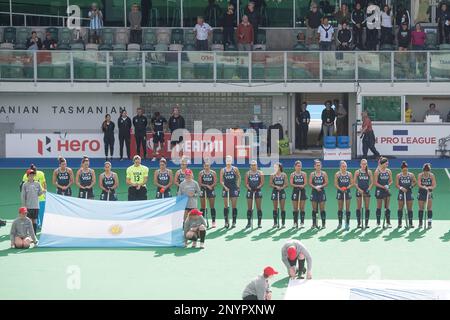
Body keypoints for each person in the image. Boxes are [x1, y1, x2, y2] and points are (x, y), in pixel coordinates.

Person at [21, 164, 46, 229]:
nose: (33, 175)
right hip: (31, 201)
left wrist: (44, 192)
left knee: (41, 213)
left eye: (34, 172)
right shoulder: (25, 177)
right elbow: (23, 189)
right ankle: (35, 226)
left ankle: (42, 226)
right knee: (32, 218)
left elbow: (44, 183)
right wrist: (24, 202)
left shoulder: (41, 174)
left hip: (40, 198)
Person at [220, 155, 241, 229]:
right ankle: (226, 222)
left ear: (231, 161)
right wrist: (225, 187)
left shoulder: (235, 169)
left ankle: (234, 222)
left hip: (234, 188)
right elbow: (221, 181)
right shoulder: (223, 170)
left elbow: (239, 177)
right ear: (225, 161)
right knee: (226, 206)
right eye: (227, 160)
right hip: (226, 189)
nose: (228, 161)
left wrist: (238, 186)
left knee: (234, 206)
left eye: (229, 160)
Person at [395, 161, 416, 228]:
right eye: (404, 170)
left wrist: (411, 186)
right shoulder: (399, 175)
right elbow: (397, 185)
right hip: (401, 193)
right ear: (401, 169)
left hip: (409, 192)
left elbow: (415, 182)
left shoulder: (411, 175)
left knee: (410, 208)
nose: (405, 171)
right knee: (400, 208)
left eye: (406, 170)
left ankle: (410, 223)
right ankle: (400, 223)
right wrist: (401, 188)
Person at [354, 159, 373, 229]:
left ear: (367, 164)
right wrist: (359, 189)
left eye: (365, 164)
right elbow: (354, 182)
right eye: (362, 164)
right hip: (359, 190)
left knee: (367, 207)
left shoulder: (369, 172)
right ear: (360, 164)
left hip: (366, 191)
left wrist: (368, 189)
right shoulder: (357, 172)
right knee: (358, 207)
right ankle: (359, 223)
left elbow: (372, 182)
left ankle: (366, 223)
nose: (364, 165)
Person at [374, 157, 393, 228]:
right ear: (382, 164)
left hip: (387, 190)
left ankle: (388, 222)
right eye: (386, 163)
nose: (387, 164)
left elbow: (391, 181)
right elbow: (375, 183)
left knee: (387, 207)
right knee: (379, 206)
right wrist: (383, 187)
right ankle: (378, 222)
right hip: (379, 190)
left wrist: (388, 185)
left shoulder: (388, 171)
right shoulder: (377, 171)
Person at [309, 159, 328, 229]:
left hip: (321, 192)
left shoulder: (324, 173)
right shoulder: (312, 174)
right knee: (314, 209)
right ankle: (314, 223)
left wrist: (320, 186)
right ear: (314, 166)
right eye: (317, 165)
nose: (318, 166)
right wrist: (315, 187)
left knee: (322, 209)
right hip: (314, 192)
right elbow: (310, 183)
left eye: (319, 165)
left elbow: (326, 183)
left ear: (321, 166)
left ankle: (323, 224)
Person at [245, 160, 264, 229]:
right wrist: (250, 188)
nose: (253, 166)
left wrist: (257, 188)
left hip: (258, 191)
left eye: (254, 165)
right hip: (250, 191)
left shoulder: (260, 173)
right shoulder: (248, 173)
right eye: (252, 165)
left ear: (257, 165)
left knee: (258, 207)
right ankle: (249, 222)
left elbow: (262, 183)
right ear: (250, 166)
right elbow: (246, 183)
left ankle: (259, 223)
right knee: (249, 208)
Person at [417, 163, 437, 229]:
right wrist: (424, 187)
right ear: (423, 170)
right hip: (421, 192)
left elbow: (434, 185)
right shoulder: (420, 175)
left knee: (429, 208)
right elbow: (419, 184)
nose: (426, 172)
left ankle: (429, 223)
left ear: (429, 171)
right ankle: (420, 223)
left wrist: (430, 188)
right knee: (421, 208)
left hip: (429, 193)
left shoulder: (431, 175)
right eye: (425, 171)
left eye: (427, 171)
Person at [198, 159, 217, 227]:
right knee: (203, 207)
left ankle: (213, 221)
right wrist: (206, 186)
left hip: (211, 190)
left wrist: (210, 186)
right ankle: (202, 221)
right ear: (203, 166)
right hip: (203, 190)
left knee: (212, 206)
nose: (206, 167)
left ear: (210, 166)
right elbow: (199, 183)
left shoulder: (213, 173)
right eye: (205, 166)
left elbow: (215, 182)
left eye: (208, 166)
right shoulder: (201, 173)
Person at [269, 162, 288, 229]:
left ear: (280, 167)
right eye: (274, 167)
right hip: (275, 192)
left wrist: (281, 187)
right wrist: (276, 186)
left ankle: (283, 223)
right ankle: (275, 223)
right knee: (275, 208)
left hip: (282, 192)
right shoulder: (272, 175)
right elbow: (270, 184)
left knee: (282, 208)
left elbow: (286, 184)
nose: (275, 168)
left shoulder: (284, 175)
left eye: (276, 167)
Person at [290, 160, 308, 229]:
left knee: (302, 208)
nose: (299, 167)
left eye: (300, 166)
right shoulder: (292, 174)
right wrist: (297, 186)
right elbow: (291, 183)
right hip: (295, 191)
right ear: (295, 167)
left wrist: (302, 186)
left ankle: (302, 222)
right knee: (295, 208)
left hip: (302, 191)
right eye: (298, 166)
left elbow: (305, 183)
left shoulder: (304, 174)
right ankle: (295, 222)